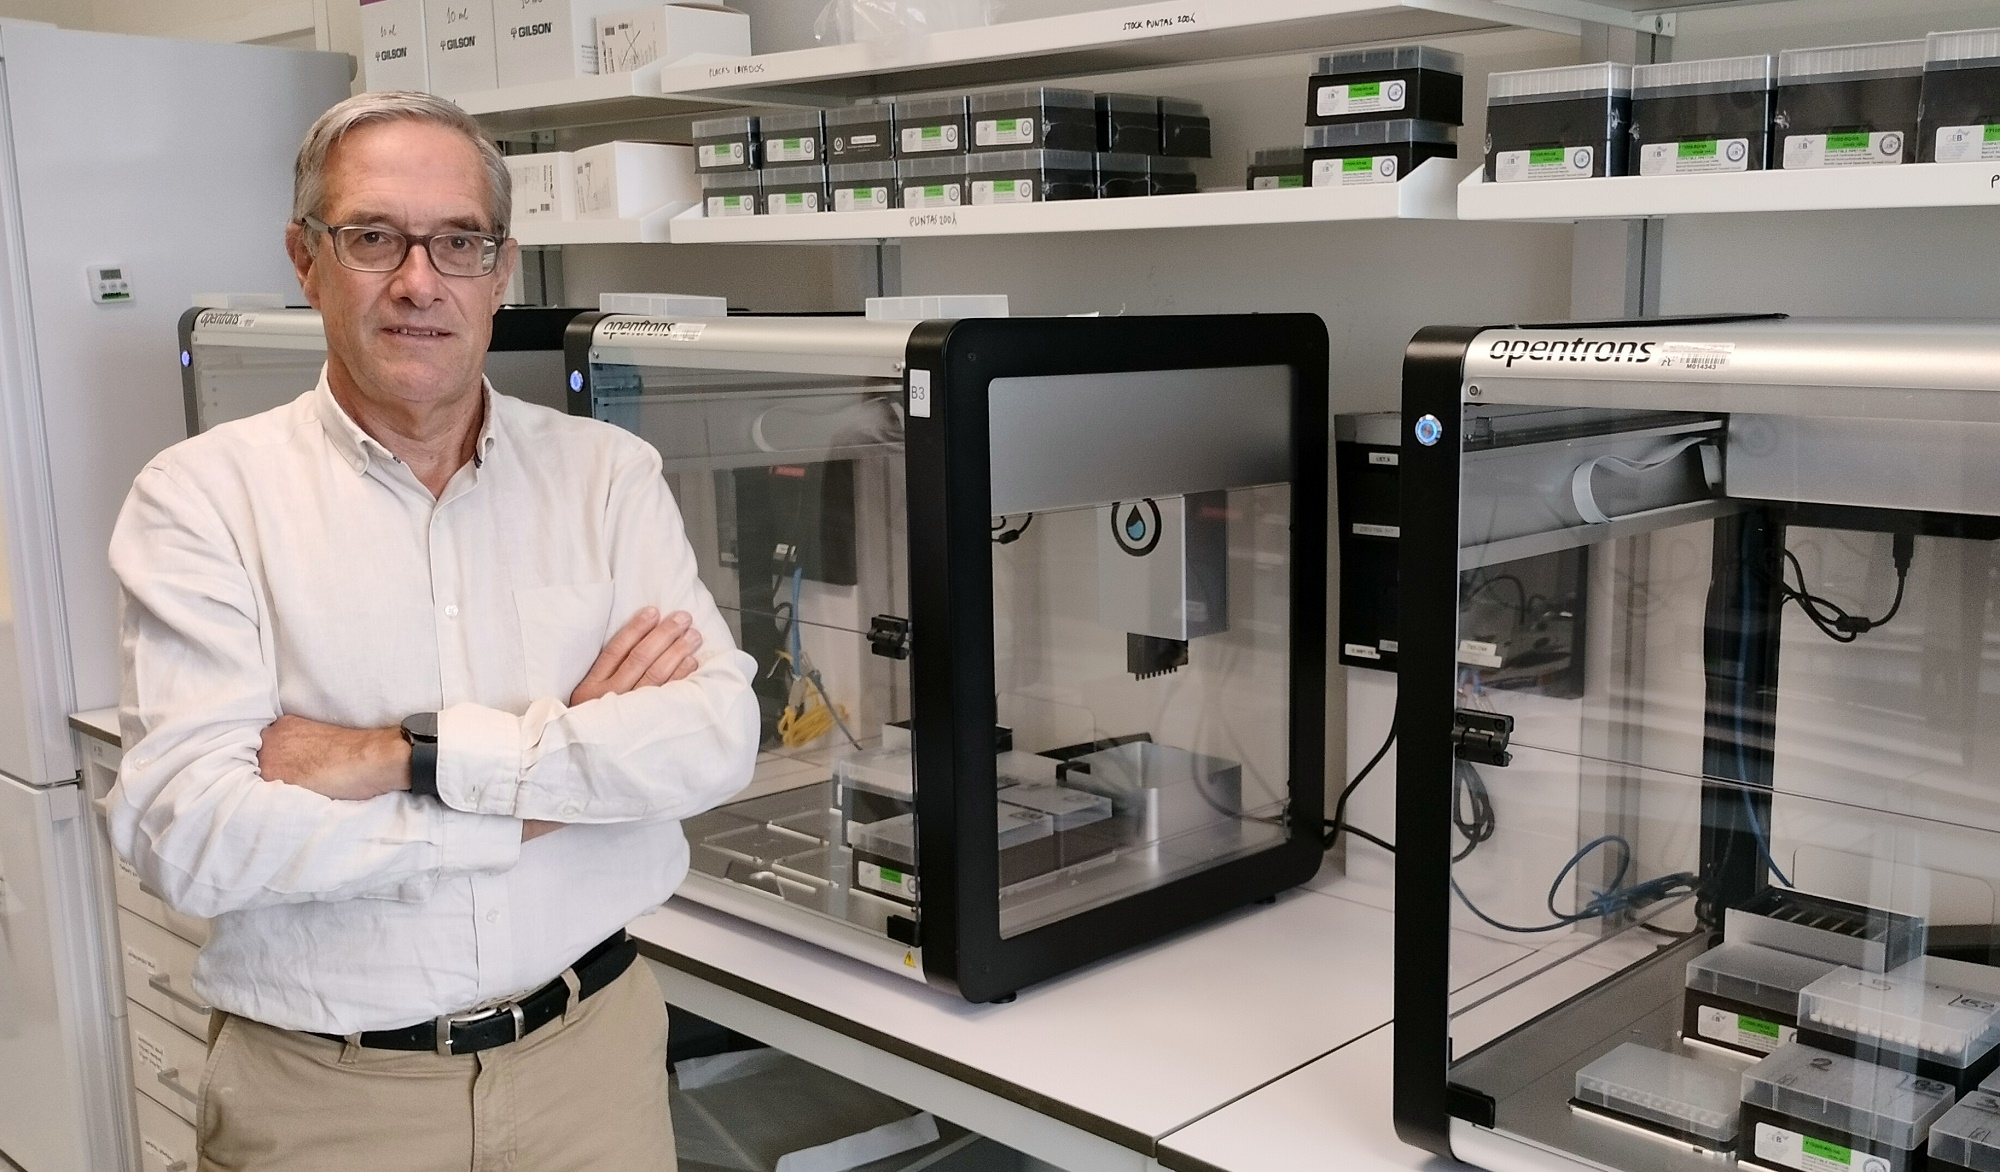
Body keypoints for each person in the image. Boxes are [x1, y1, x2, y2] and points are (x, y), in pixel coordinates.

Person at [104, 91, 757, 1172]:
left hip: (591, 1066)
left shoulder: (606, 477)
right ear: (305, 259)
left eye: (459, 241)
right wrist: (552, 788)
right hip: (327, 1098)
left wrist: (397, 758)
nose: (419, 279)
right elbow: (192, 838)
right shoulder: (201, 498)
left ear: (500, 270)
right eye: (373, 237)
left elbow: (713, 738)